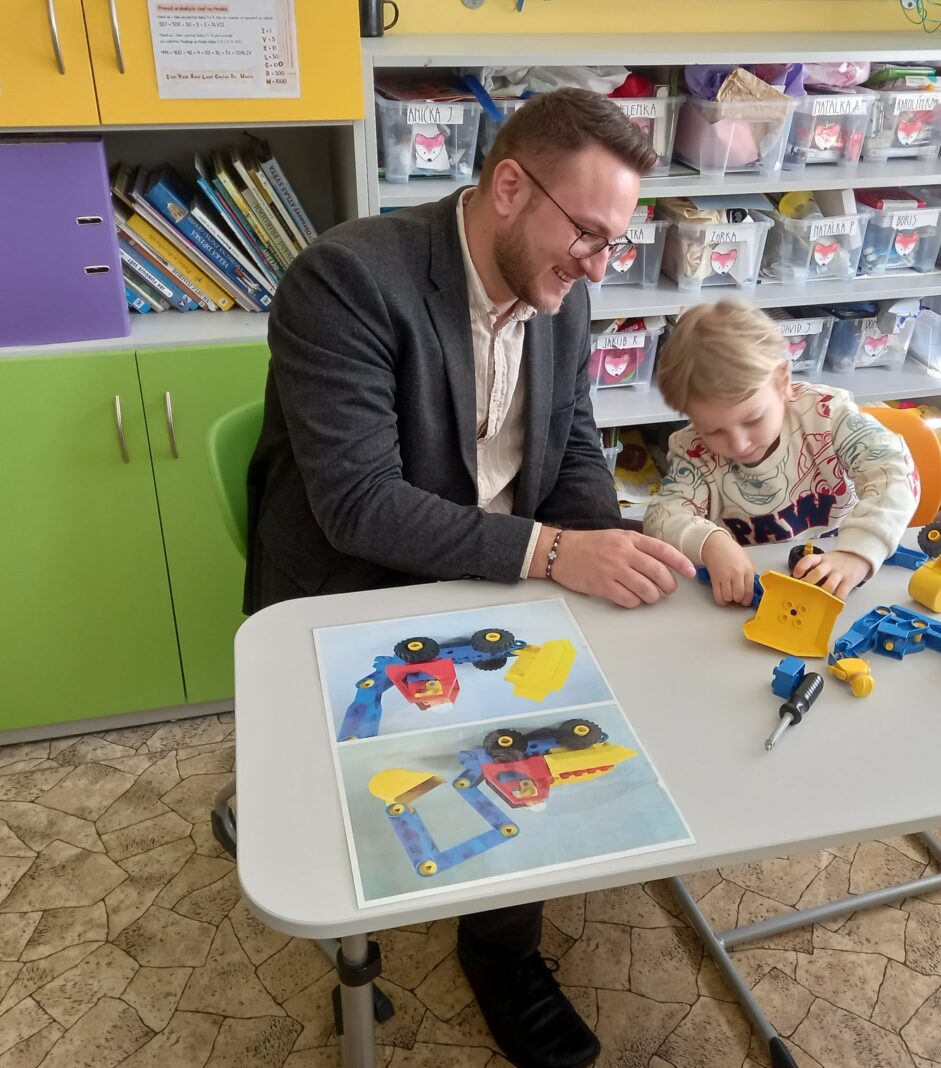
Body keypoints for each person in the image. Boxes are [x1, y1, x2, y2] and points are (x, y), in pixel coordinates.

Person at [245, 88, 695, 1068]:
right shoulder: (346, 279)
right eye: (588, 234)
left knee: (558, 725)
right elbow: (359, 504)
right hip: (354, 583)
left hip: (496, 569)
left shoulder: (563, 290)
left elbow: (573, 443)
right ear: (510, 187)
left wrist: (602, 546)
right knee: (465, 748)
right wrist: (552, 553)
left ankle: (499, 944)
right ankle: (493, 949)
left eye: (614, 243)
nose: (598, 265)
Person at [644, 299, 920, 606]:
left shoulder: (827, 415)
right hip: (753, 593)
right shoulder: (693, 451)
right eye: (714, 431)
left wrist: (857, 553)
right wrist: (710, 543)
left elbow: (895, 470)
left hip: (843, 579)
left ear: (783, 382)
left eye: (753, 420)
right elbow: (661, 516)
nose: (738, 444)